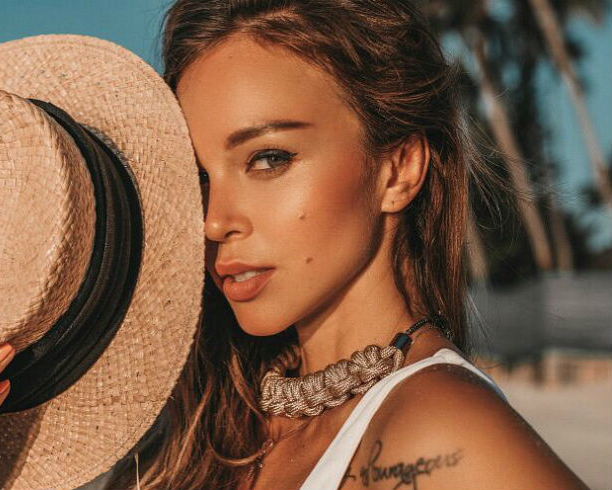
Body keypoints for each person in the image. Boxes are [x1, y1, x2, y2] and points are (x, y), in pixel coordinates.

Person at [102, 1, 590, 489]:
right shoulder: (202, 430)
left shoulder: (439, 430)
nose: (213, 222)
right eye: (199, 177)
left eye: (269, 159)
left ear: (398, 170)